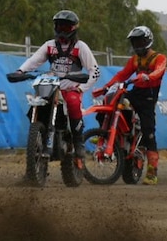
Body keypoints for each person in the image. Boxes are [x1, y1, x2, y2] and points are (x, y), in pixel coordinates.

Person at [11, 10, 101, 166]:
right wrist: (21, 71)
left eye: (66, 27)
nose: (62, 30)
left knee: (73, 103)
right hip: (52, 85)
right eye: (59, 26)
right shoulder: (49, 46)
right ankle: (38, 137)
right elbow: (34, 61)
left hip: (71, 87)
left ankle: (78, 143)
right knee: (36, 102)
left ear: (73, 28)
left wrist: (82, 88)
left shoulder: (80, 47)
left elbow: (95, 71)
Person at [101, 25, 167, 185]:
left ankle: (152, 172)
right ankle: (107, 134)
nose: (137, 46)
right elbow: (122, 75)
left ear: (148, 41)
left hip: (148, 98)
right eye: (135, 43)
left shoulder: (159, 58)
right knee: (111, 100)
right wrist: (106, 87)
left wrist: (148, 76)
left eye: (140, 42)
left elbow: (160, 70)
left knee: (148, 131)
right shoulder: (134, 60)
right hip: (135, 92)